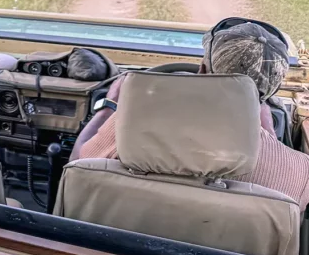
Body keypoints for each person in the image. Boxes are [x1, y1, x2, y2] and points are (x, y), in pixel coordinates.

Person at [74, 20, 309, 210]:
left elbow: (78, 165)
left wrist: (110, 105)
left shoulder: (130, 129)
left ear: (203, 70)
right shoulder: (300, 175)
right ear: (273, 89)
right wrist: (266, 132)